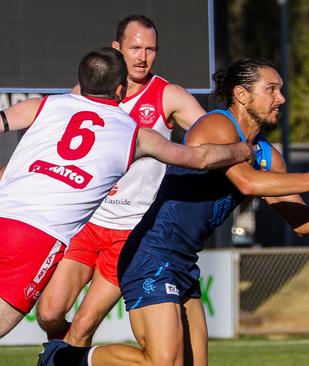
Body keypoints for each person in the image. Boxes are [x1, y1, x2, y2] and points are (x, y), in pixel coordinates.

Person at [37, 58, 309, 366]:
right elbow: (248, 183)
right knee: (163, 362)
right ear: (242, 95)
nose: (281, 98)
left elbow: (302, 224)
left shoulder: (269, 156)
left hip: (183, 262)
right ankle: (64, 357)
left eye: (280, 90)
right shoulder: (216, 125)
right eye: (271, 89)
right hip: (150, 253)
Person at [0, 47, 256, 338]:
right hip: (37, 237)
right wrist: (241, 149)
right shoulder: (134, 134)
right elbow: (199, 158)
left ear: (81, 82)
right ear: (121, 90)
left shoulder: (43, 105)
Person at [36, 14, 210, 346]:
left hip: (132, 234)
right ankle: (63, 354)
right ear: (117, 48)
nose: (143, 57)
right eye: (135, 48)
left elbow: (212, 133)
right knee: (49, 313)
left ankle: (66, 353)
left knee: (84, 326)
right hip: (87, 223)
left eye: (151, 49)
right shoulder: (86, 92)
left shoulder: (168, 95)